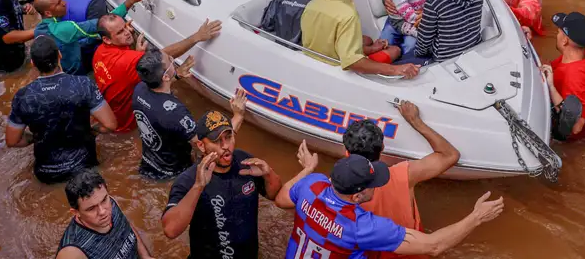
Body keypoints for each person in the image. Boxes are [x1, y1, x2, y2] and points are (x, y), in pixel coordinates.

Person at [276, 148, 504, 257]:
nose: (379, 185)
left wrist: (306, 169)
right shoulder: (361, 227)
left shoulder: (311, 185)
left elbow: (280, 198)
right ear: (356, 196)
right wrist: (476, 217)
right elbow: (434, 246)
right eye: (373, 183)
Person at [343, 101, 462, 253]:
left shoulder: (337, 189)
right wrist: (415, 121)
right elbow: (450, 155)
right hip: (414, 251)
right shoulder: (405, 174)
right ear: (382, 149)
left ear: (346, 152)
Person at [162, 110, 279, 259]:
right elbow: (170, 230)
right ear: (201, 145)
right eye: (217, 140)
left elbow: (274, 194)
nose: (225, 146)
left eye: (228, 137)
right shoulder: (189, 180)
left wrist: (268, 173)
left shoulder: (245, 162)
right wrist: (198, 186)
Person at [6, 37, 117, 185]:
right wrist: (91, 130)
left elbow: (12, 140)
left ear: (33, 63)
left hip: (47, 173)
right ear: (59, 55)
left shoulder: (23, 96)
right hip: (84, 166)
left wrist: (37, 138)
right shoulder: (82, 84)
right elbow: (110, 125)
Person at [93, 12, 220, 133]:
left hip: (106, 114)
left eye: (126, 26)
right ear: (107, 39)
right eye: (120, 32)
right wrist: (197, 37)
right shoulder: (126, 60)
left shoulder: (99, 52)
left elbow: (126, 74)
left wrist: (138, 54)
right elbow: (160, 57)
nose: (128, 32)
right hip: (126, 126)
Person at [301, 0, 418, 78]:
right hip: (339, 70)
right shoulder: (347, 13)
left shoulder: (311, 5)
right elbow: (352, 62)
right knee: (395, 50)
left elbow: (330, 42)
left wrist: (372, 49)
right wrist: (396, 70)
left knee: (366, 40)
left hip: (318, 63)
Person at [135, 49, 231, 180]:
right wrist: (238, 115)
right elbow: (204, 145)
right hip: (173, 173)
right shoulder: (176, 113)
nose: (172, 59)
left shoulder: (139, 89)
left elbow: (158, 92)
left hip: (148, 164)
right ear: (165, 77)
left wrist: (176, 75)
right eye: (169, 60)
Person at [56, 169, 153, 259]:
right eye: (91, 208)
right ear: (76, 212)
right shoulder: (72, 253)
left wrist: (145, 256)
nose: (102, 211)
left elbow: (128, 228)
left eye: (104, 200)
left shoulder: (111, 202)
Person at [540, 12, 585, 141]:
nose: (556, 36)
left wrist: (552, 88)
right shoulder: (582, 57)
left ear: (565, 40)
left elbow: (577, 127)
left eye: (558, 32)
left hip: (574, 140)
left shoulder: (575, 78)